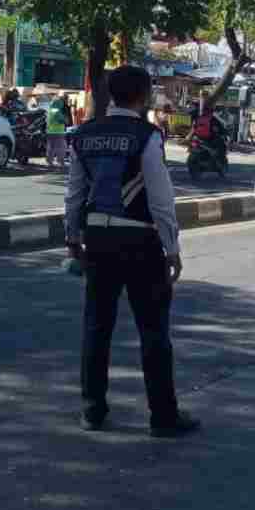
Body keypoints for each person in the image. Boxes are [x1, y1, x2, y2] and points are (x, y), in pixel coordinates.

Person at [65, 65, 199, 438]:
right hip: (140, 241)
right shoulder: (147, 136)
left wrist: (72, 239)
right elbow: (160, 198)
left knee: (97, 327)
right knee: (153, 330)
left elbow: (75, 194)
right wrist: (171, 248)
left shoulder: (84, 134)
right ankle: (163, 416)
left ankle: (92, 410)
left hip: (99, 242)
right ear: (142, 96)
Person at [46, 93, 70, 169]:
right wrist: (66, 119)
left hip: (50, 132)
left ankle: (49, 162)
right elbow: (63, 120)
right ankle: (61, 162)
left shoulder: (49, 110)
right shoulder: (57, 111)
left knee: (51, 148)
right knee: (61, 148)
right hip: (58, 132)